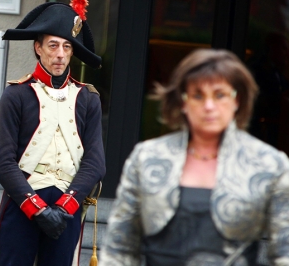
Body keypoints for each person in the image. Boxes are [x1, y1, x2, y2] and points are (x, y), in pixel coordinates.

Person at [100, 49, 289, 265]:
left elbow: (284, 253)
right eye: (198, 95)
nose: (209, 106)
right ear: (183, 101)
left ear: (237, 100)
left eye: (220, 95)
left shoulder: (270, 164)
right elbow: (119, 248)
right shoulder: (147, 157)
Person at [0, 0, 106, 266]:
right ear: (38, 48)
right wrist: (36, 209)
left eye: (67, 47)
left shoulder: (88, 99)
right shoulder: (16, 95)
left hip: (68, 208)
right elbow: (2, 162)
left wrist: (67, 207)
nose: (61, 54)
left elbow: (95, 162)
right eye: (53, 45)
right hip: (22, 204)